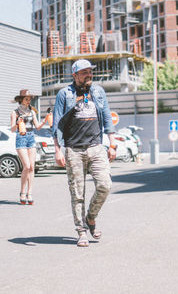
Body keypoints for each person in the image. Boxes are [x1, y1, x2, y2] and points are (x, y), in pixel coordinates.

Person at [52, 59, 117, 247]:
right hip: (74, 149)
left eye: (90, 72)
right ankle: (81, 231)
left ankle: (91, 217)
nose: (89, 75)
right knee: (77, 193)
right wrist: (58, 150)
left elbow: (106, 116)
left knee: (105, 184)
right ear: (75, 75)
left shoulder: (98, 91)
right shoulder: (65, 94)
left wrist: (112, 142)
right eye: (84, 72)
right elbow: (56, 124)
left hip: (97, 147)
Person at [10, 89, 48, 205]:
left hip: (31, 137)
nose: (29, 101)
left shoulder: (32, 111)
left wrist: (46, 119)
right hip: (21, 138)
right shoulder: (15, 112)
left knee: (32, 167)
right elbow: (12, 129)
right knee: (26, 166)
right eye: (27, 99)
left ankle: (29, 192)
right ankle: (22, 191)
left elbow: (37, 126)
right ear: (21, 100)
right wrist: (17, 123)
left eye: (30, 99)